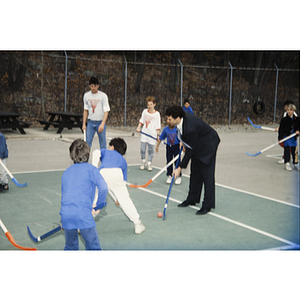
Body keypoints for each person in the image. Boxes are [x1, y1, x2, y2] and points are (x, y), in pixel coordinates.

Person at [165, 105, 220, 215]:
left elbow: (189, 151)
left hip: (208, 145)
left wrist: (179, 168)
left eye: (169, 119)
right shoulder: (182, 120)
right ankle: (192, 199)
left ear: (177, 118)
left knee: (207, 175)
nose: (167, 121)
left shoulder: (190, 128)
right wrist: (183, 141)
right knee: (195, 173)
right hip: (198, 144)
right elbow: (187, 141)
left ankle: (207, 205)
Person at [60, 139, 108, 250]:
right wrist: (99, 205)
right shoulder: (92, 170)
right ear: (89, 154)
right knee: (93, 248)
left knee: (70, 247)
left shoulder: (66, 172)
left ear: (71, 155)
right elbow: (104, 187)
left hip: (66, 215)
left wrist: (65, 220)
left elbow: (65, 196)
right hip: (83, 216)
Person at [92, 138, 145, 234]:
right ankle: (137, 224)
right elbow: (121, 183)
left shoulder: (106, 152)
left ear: (112, 147)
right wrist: (118, 198)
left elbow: (96, 152)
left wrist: (94, 169)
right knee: (125, 201)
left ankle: (83, 224)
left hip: (101, 174)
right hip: (118, 174)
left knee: (95, 200)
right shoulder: (123, 161)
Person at [82, 76, 110, 149]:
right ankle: (86, 159)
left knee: (103, 144)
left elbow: (106, 111)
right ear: (89, 86)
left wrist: (102, 124)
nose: (93, 88)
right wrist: (84, 124)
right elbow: (85, 110)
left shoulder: (103, 96)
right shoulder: (86, 96)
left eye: (95, 86)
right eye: (91, 86)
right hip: (90, 122)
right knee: (87, 143)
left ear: (98, 85)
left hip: (100, 122)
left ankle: (104, 159)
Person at [136, 96, 161, 171]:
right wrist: (139, 127)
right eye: (148, 105)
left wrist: (158, 135)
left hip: (152, 134)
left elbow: (158, 125)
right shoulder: (145, 111)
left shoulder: (157, 114)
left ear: (154, 104)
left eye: (151, 104)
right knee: (142, 149)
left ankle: (149, 162)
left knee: (150, 150)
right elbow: (142, 120)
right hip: (144, 133)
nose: (149, 106)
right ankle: (143, 161)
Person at [278, 103, 300, 171]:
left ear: (293, 111)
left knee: (295, 151)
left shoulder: (297, 119)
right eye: (288, 110)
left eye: (290, 110)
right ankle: (287, 163)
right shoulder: (284, 120)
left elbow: (299, 127)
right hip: (287, 138)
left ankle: (296, 163)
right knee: (287, 150)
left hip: (293, 138)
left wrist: (298, 131)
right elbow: (281, 129)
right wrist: (280, 138)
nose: (289, 111)